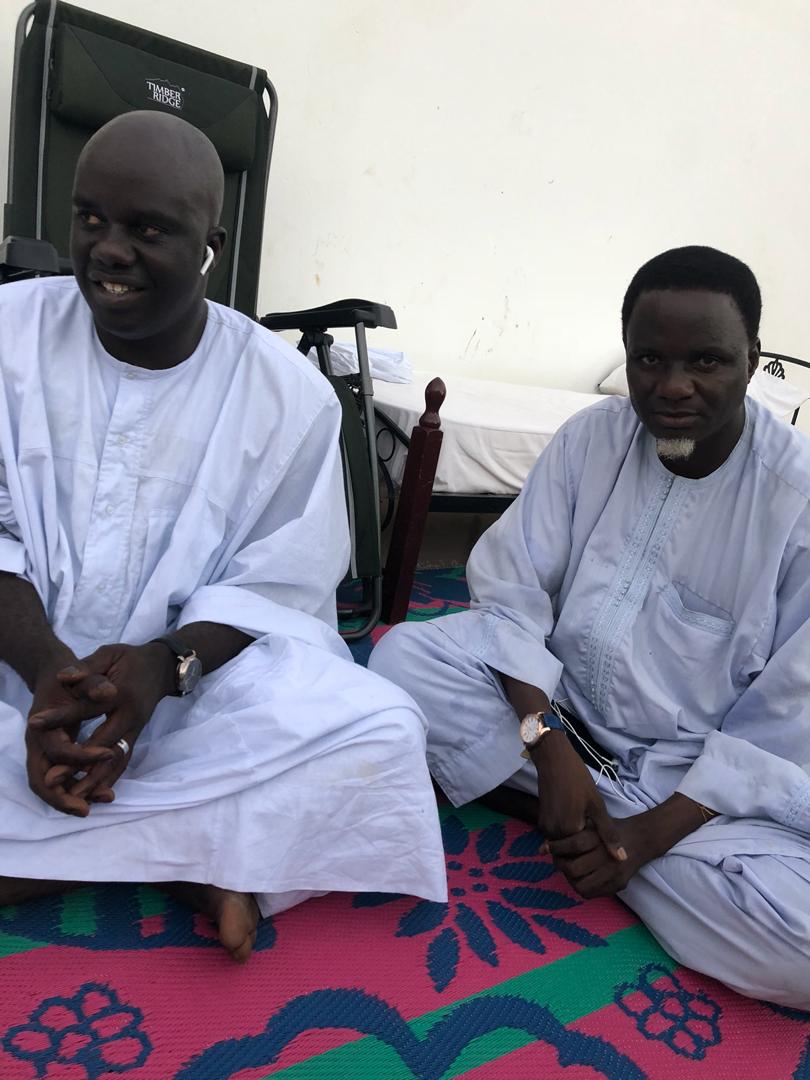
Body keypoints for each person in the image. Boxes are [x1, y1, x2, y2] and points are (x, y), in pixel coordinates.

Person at [0, 110, 446, 963]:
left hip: (186, 692)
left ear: (211, 244)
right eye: (90, 217)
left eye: (147, 230)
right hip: (13, 659)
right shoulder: (6, 334)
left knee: (384, 731)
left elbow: (277, 587)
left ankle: (66, 851)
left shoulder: (288, 394)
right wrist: (49, 679)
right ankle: (188, 857)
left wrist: (162, 668)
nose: (108, 249)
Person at [370, 246, 810, 1008]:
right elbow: (510, 593)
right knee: (403, 660)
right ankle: (577, 815)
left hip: (687, 778)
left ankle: (602, 840)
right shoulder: (591, 439)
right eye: (649, 360)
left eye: (706, 361)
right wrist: (548, 744)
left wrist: (648, 836)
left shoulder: (795, 502)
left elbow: (780, 727)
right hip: (555, 717)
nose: (673, 387)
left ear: (752, 360)